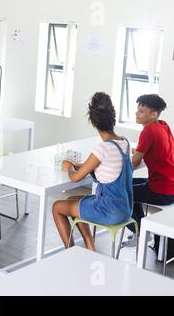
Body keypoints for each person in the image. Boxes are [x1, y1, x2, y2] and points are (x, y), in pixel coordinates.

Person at [52, 92, 133, 251]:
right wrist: (84, 165)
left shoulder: (103, 148)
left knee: (57, 207)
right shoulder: (125, 143)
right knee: (75, 199)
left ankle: (70, 252)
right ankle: (90, 246)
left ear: (93, 122)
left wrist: (68, 166)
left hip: (109, 212)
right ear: (112, 117)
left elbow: (75, 178)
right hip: (125, 209)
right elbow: (107, 166)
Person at [123, 94, 174, 247]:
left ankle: (140, 233)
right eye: (137, 110)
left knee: (122, 191)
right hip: (169, 184)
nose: (136, 114)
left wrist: (114, 165)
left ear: (154, 114)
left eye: (141, 111)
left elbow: (134, 162)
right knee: (129, 185)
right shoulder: (162, 125)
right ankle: (140, 229)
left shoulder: (148, 131)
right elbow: (155, 150)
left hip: (162, 191)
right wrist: (138, 150)